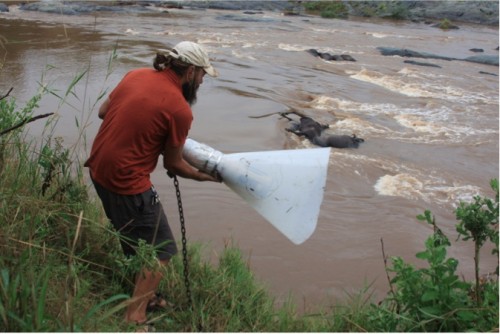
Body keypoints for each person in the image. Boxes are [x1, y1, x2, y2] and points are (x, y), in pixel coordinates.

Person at [85, 41, 221, 330]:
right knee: (162, 251)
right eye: (203, 75)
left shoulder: (135, 75)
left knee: (135, 240)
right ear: (191, 72)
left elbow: (102, 112)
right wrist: (204, 176)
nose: (203, 80)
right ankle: (135, 317)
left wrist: (144, 131)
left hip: (98, 170)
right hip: (126, 182)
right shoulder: (179, 109)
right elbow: (174, 165)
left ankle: (147, 295)